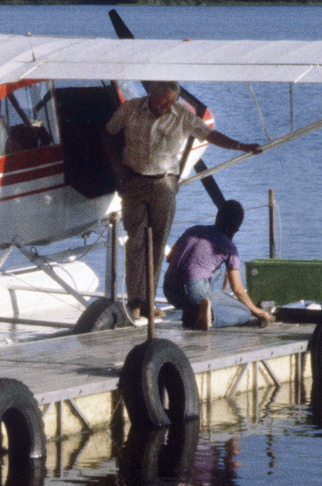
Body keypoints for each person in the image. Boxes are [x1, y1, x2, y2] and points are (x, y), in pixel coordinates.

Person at [105, 80, 261, 320]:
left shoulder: (181, 116)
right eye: (162, 100)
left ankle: (148, 302)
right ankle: (134, 301)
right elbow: (108, 133)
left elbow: (211, 134)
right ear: (152, 94)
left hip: (164, 184)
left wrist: (242, 146)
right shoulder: (131, 108)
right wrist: (118, 171)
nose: (167, 105)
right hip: (133, 182)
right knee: (135, 243)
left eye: (171, 101)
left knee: (158, 244)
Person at [163, 200, 275, 330]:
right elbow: (237, 289)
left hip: (170, 290)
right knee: (244, 312)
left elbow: (170, 258)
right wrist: (256, 311)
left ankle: (192, 314)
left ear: (217, 218)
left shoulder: (193, 230)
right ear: (236, 228)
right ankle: (211, 316)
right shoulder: (229, 247)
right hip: (194, 291)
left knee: (213, 271)